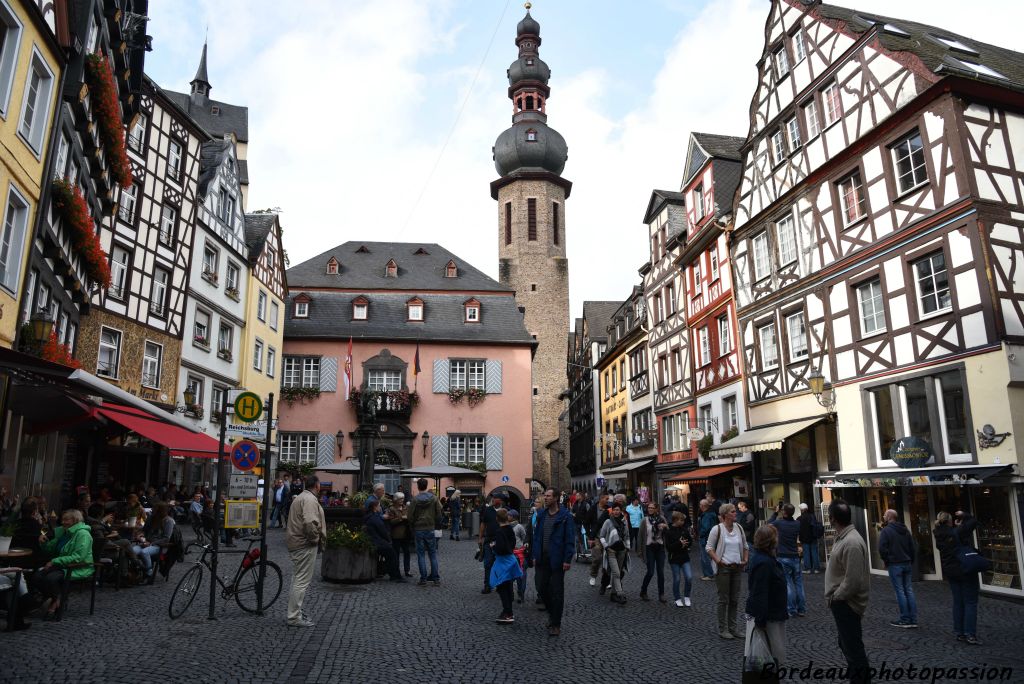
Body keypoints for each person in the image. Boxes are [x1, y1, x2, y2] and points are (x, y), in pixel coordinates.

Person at [825, 498, 871, 684]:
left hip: (847, 603)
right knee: (846, 644)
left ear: (833, 519)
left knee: (853, 649)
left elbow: (853, 580)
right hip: (843, 602)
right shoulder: (844, 537)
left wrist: (837, 597)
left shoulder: (851, 542)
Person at [32, 509, 93, 621]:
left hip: (76, 567)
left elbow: (78, 557)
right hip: (62, 565)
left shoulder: (83, 534)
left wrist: (54, 561)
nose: (63, 522)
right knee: (36, 577)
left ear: (75, 520)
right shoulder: (64, 532)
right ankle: (58, 599)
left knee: (50, 579)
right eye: (63, 520)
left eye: (66, 520)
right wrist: (44, 542)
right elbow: (50, 550)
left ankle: (55, 601)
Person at [530, 488, 574, 636]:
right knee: (541, 588)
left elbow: (569, 539)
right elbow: (537, 537)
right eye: (545, 496)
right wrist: (535, 554)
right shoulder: (542, 515)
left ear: (556, 498)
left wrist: (567, 559)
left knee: (557, 592)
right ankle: (551, 613)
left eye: (548, 496)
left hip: (557, 559)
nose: (545, 498)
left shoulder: (565, 516)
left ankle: (556, 623)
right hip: (542, 558)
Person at [745, 525, 788, 671]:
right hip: (768, 617)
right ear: (771, 541)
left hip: (772, 614)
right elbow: (760, 592)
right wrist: (760, 619)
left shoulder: (766, 559)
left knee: (770, 657)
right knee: (769, 657)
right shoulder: (764, 562)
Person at [934, 510, 981, 644]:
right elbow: (973, 521)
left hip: (951, 571)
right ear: (949, 521)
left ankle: (959, 632)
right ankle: (970, 634)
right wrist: (964, 515)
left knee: (958, 602)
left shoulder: (939, 534)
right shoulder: (956, 532)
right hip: (965, 569)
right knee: (970, 602)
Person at [285, 475, 326, 628]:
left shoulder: (301, 497)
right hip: (304, 544)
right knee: (301, 581)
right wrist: (315, 539)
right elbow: (309, 522)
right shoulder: (309, 500)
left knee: (297, 580)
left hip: (297, 542)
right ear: (317, 485)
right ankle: (294, 616)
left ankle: (295, 612)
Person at [706, 502, 748, 639]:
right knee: (724, 599)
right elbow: (709, 548)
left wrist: (745, 559)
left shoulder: (739, 528)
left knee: (734, 599)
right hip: (723, 568)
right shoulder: (717, 529)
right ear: (725, 515)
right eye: (733, 511)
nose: (735, 513)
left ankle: (733, 627)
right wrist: (718, 561)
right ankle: (723, 628)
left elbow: (745, 546)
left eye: (735, 511)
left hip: (737, 567)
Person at [878, 509, 917, 628]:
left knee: (900, 591)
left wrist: (886, 560)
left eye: (885, 514)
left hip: (895, 564)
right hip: (907, 563)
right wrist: (911, 560)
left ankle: (905, 618)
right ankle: (913, 618)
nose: (883, 516)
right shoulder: (905, 530)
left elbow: (882, 548)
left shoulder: (886, 531)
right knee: (909, 591)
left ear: (889, 517)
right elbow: (912, 547)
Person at [770, 503, 806, 617]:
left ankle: (791, 609)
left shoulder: (779, 523)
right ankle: (802, 609)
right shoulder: (797, 524)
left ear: (784, 512)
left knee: (788, 583)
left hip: (783, 556)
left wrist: (775, 512)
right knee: (799, 584)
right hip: (795, 557)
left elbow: (768, 524)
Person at [490, 508, 523, 624]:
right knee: (507, 586)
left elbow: (500, 548)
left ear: (497, 519)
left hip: (503, 561)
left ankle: (507, 612)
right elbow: (513, 544)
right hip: (511, 559)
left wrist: (493, 546)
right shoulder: (510, 529)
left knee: (502, 587)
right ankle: (509, 611)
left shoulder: (500, 531)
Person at [408, 478, 442, 586]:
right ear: (426, 486)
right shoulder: (434, 498)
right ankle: (436, 578)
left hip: (418, 529)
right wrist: (436, 524)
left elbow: (410, 516)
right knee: (432, 554)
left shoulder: (415, 499)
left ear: (418, 486)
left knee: (421, 554)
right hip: (430, 528)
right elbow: (439, 512)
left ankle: (423, 579)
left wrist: (412, 525)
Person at [132, 502, 175, 582]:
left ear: (160, 511)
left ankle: (148, 573)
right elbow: (144, 530)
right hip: (146, 542)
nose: (152, 510)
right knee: (132, 550)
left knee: (144, 552)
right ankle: (136, 570)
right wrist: (140, 535)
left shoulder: (168, 521)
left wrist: (151, 543)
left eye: (154, 509)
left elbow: (166, 538)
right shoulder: (151, 518)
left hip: (159, 545)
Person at [364, 499, 404, 582]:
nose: (380, 508)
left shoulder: (371, 516)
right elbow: (382, 531)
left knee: (391, 554)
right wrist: (388, 540)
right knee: (393, 555)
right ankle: (395, 576)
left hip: (375, 541)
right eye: (379, 506)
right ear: (375, 507)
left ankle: (392, 574)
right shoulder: (374, 517)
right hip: (377, 542)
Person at [599, 502, 629, 605]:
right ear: (612, 510)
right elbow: (601, 536)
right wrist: (606, 547)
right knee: (616, 572)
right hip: (611, 550)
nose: (616, 511)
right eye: (615, 510)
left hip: (621, 550)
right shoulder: (608, 521)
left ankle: (613, 594)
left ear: (621, 511)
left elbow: (627, 536)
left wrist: (627, 547)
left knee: (619, 572)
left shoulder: (624, 521)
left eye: (618, 510)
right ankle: (620, 594)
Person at [637, 501, 668, 602]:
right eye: (649, 507)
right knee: (650, 572)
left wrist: (665, 527)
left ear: (656, 509)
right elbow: (640, 537)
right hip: (649, 548)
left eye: (652, 507)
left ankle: (661, 594)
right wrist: (640, 551)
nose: (650, 509)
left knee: (661, 572)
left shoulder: (662, 519)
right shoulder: (644, 521)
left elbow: (668, 531)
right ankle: (643, 591)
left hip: (660, 547)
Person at [665, 510, 693, 607]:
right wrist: (680, 543)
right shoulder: (669, 532)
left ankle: (687, 596)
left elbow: (690, 540)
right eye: (681, 520)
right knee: (677, 579)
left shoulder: (684, 530)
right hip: (674, 558)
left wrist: (686, 544)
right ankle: (677, 598)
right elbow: (669, 547)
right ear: (675, 520)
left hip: (685, 557)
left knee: (689, 577)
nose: (683, 522)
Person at [479, 493, 504, 593]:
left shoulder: (505, 510)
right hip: (489, 541)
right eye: (493, 498)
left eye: (495, 498)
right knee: (488, 563)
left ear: (501, 500)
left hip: (501, 542)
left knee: (499, 564)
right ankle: (487, 585)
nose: (493, 499)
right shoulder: (488, 510)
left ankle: (500, 585)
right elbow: (483, 523)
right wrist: (480, 538)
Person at [387, 492, 413, 577]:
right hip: (396, 535)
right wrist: (401, 518)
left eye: (403, 498)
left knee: (407, 553)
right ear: (395, 500)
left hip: (406, 534)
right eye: (400, 499)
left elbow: (411, 518)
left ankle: (407, 570)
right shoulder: (391, 509)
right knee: (396, 554)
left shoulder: (406, 508)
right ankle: (396, 571)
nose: (402, 500)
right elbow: (391, 521)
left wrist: (408, 518)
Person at [510, 509, 528, 603]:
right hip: (510, 554)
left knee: (521, 576)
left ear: (513, 517)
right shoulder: (507, 526)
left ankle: (521, 594)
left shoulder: (519, 527)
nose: (507, 516)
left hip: (519, 553)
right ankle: (510, 593)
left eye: (509, 515)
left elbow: (524, 538)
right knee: (510, 575)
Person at [798, 502, 822, 574]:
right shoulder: (812, 516)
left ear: (801, 510)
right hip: (813, 537)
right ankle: (817, 568)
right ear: (807, 509)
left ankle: (808, 569)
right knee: (814, 552)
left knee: (806, 553)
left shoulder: (799, 518)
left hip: (804, 538)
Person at [697, 499, 717, 580]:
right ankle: (707, 574)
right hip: (709, 538)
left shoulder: (707, 515)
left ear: (702, 506)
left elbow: (705, 528)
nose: (699, 506)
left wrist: (700, 534)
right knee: (705, 557)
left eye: (700, 505)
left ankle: (709, 574)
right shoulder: (711, 514)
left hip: (705, 538)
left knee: (705, 557)